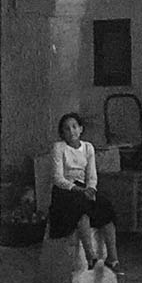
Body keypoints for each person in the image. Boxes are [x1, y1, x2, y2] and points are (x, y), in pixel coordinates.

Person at [46, 111, 119, 273]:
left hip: (84, 188)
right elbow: (58, 178)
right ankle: (90, 256)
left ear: (81, 129)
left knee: (106, 206)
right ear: (62, 133)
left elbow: (92, 174)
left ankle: (113, 258)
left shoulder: (88, 148)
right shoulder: (59, 148)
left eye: (74, 127)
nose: (71, 131)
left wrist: (91, 189)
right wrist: (79, 190)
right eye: (66, 129)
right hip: (65, 190)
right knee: (81, 208)